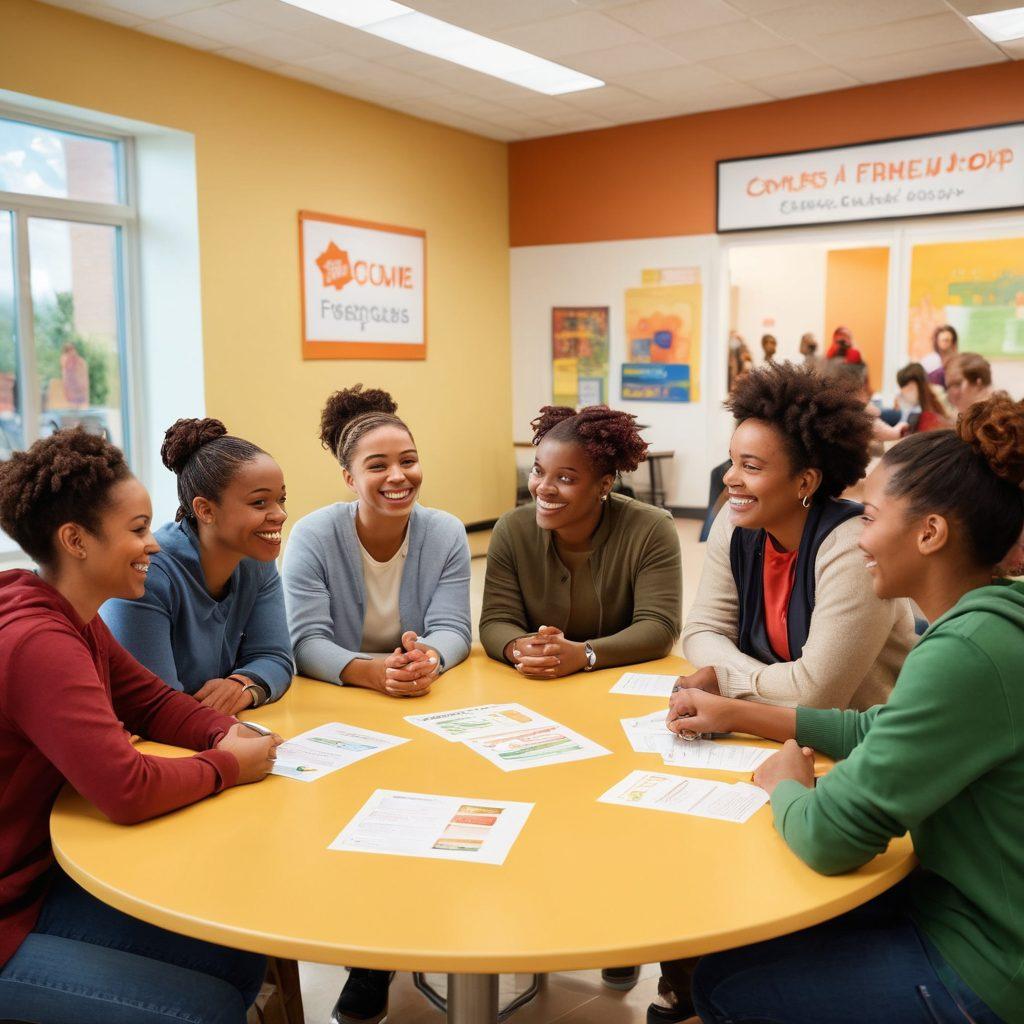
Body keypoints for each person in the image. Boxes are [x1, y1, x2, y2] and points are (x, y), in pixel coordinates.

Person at [658, 395, 1024, 1024]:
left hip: (987, 964)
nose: (862, 537)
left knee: (723, 983)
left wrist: (787, 786)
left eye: (872, 517)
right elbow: (873, 725)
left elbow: (831, 838)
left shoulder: (964, 651)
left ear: (930, 533)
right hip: (966, 905)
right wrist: (741, 714)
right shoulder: (985, 627)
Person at [0, 429, 280, 1024]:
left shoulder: (72, 616)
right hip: (9, 913)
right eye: (136, 529)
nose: (153, 544)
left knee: (242, 955)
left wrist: (224, 733)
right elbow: (125, 790)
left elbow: (152, 704)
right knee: (203, 1010)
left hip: (35, 877)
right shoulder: (38, 642)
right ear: (75, 540)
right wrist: (228, 765)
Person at [282, 385, 471, 1024]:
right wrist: (370, 673)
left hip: (421, 700)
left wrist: (430, 660)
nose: (399, 476)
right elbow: (304, 639)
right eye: (379, 465)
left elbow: (453, 628)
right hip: (338, 703)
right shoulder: (312, 534)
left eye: (409, 460)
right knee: (356, 833)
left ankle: (428, 926)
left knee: (431, 818)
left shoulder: (444, 531)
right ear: (348, 476)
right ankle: (368, 962)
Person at [679, 363, 915, 711]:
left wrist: (727, 680)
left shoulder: (853, 548)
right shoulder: (733, 525)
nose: (730, 478)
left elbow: (814, 697)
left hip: (859, 745)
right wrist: (768, 687)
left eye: (751, 467)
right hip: (771, 728)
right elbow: (700, 632)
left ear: (805, 482)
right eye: (731, 461)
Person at [102, 418, 293, 713]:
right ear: (205, 509)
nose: (279, 514)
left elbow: (276, 657)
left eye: (280, 499)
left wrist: (243, 685)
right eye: (259, 503)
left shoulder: (257, 560)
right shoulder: (147, 573)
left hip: (198, 731)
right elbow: (154, 705)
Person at [894, 362, 951, 433]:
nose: (905, 392)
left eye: (910, 387)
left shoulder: (938, 394)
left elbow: (946, 419)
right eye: (902, 388)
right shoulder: (904, 400)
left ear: (921, 385)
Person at [945, 351, 996, 416]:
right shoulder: (961, 418)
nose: (951, 393)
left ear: (978, 384)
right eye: (948, 386)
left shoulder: (1000, 420)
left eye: (957, 384)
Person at [921, 323, 958, 387]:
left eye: (947, 340)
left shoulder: (958, 360)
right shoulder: (927, 361)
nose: (944, 343)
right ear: (936, 341)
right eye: (942, 340)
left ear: (953, 342)